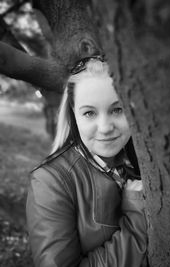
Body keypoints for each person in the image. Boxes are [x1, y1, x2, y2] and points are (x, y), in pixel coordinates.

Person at [26, 55, 148, 267]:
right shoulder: (50, 182)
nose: (105, 127)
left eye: (118, 109)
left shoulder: (145, 158)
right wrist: (136, 218)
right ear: (74, 113)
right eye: (90, 113)